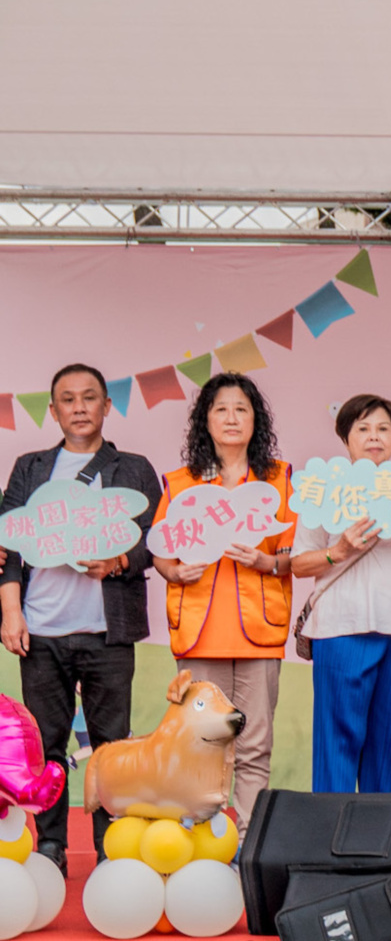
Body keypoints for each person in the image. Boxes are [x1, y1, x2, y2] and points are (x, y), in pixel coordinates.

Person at [0, 364, 162, 876]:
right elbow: (8, 549)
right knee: (46, 745)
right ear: (53, 411)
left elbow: (155, 541)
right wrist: (11, 614)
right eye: (67, 399)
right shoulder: (30, 468)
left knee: (111, 747)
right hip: (41, 629)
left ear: (106, 406)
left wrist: (118, 561)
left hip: (107, 631)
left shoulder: (132, 468)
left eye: (89, 397)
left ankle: (112, 846)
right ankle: (51, 845)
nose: (79, 407)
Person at [149, 373, 294, 837]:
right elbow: (161, 553)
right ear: (205, 420)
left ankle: (249, 844)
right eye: (221, 409)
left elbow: (294, 553)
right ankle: (201, 845)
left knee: (254, 745)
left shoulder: (280, 480)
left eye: (241, 409)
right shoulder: (181, 484)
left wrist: (268, 562)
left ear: (256, 420)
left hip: (259, 632)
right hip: (200, 631)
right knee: (200, 744)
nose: (232, 418)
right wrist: (175, 572)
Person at [288, 395, 391, 794]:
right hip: (340, 630)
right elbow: (298, 563)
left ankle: (377, 832)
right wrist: (337, 551)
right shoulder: (323, 491)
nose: (374, 437)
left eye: (384, 428)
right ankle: (331, 830)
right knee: (336, 744)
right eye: (363, 428)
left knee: (386, 747)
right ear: (345, 438)